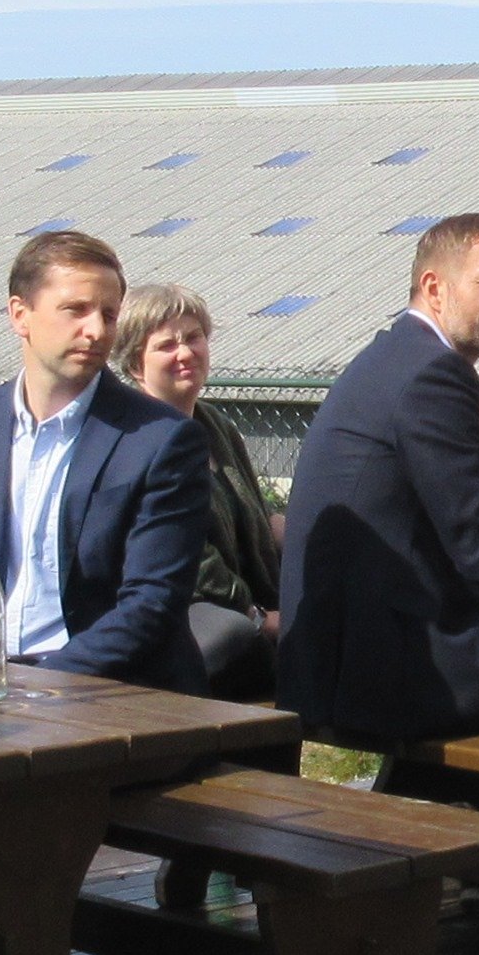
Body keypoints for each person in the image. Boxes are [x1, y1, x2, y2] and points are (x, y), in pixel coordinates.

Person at [277, 213, 479, 741]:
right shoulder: (434, 375)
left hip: (345, 666)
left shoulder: (390, 358)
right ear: (434, 287)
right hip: (405, 671)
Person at [0, 230, 211, 690]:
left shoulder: (161, 439)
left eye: (108, 314)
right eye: (75, 310)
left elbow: (152, 602)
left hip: (113, 691)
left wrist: (41, 686)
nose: (96, 330)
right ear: (20, 315)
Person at [116, 280, 283, 702]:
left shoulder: (217, 427)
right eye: (166, 345)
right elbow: (186, 556)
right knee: (242, 641)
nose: (186, 353)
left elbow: (256, 520)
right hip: (183, 608)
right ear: (136, 363)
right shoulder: (136, 437)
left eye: (193, 338)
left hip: (248, 598)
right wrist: (258, 616)